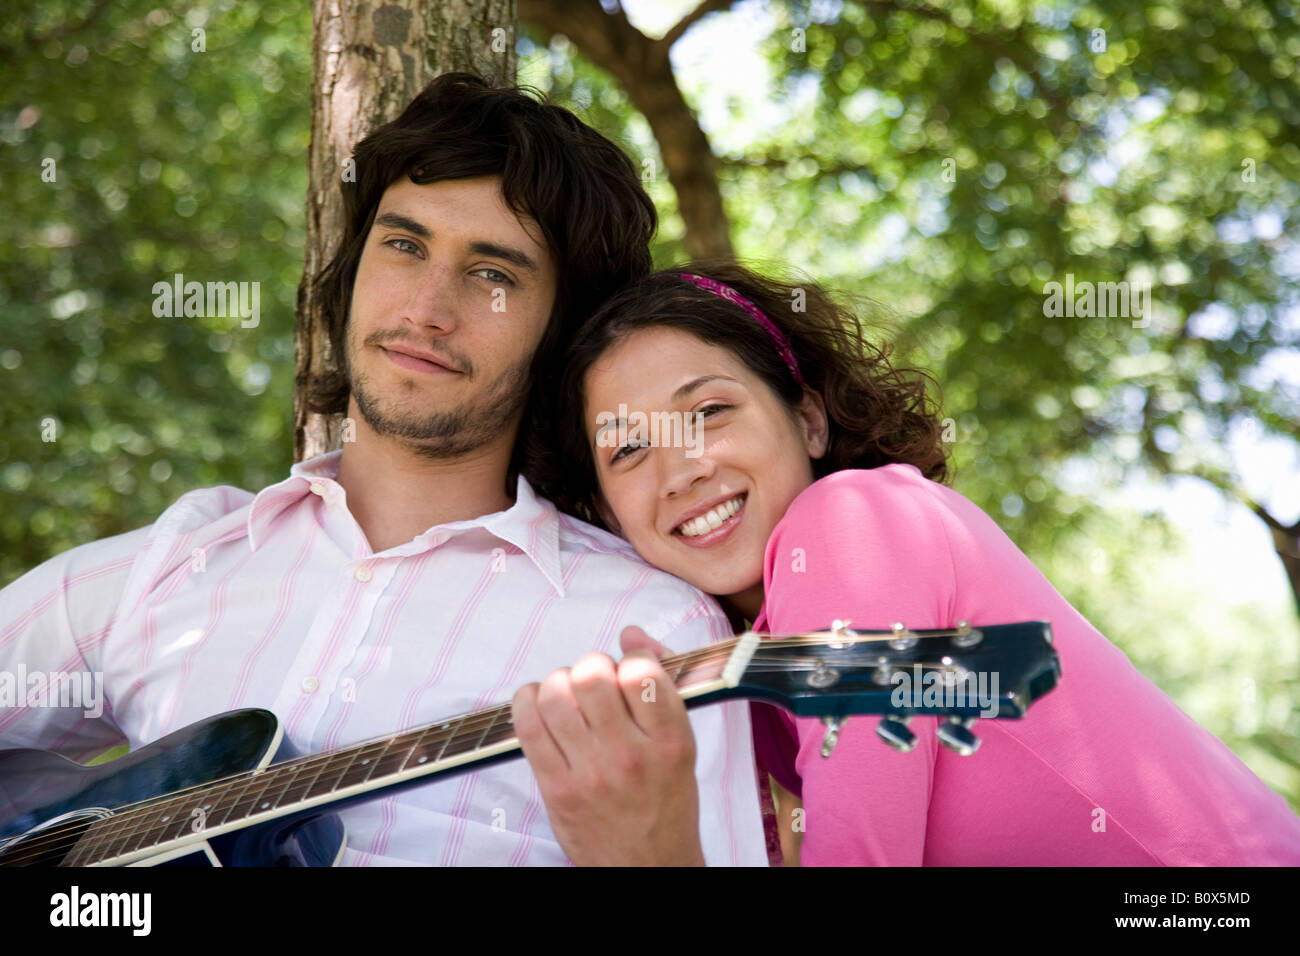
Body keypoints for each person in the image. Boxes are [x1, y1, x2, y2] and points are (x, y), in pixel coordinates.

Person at [0, 76, 769, 866]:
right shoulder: (183, 560)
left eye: (493, 275)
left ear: (560, 331)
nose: (427, 308)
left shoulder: (651, 634)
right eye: (404, 245)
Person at [517, 258, 1300, 866]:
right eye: (628, 448)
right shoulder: (752, 665)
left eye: (710, 411)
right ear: (605, 510)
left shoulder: (851, 519)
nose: (680, 469)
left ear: (810, 419)